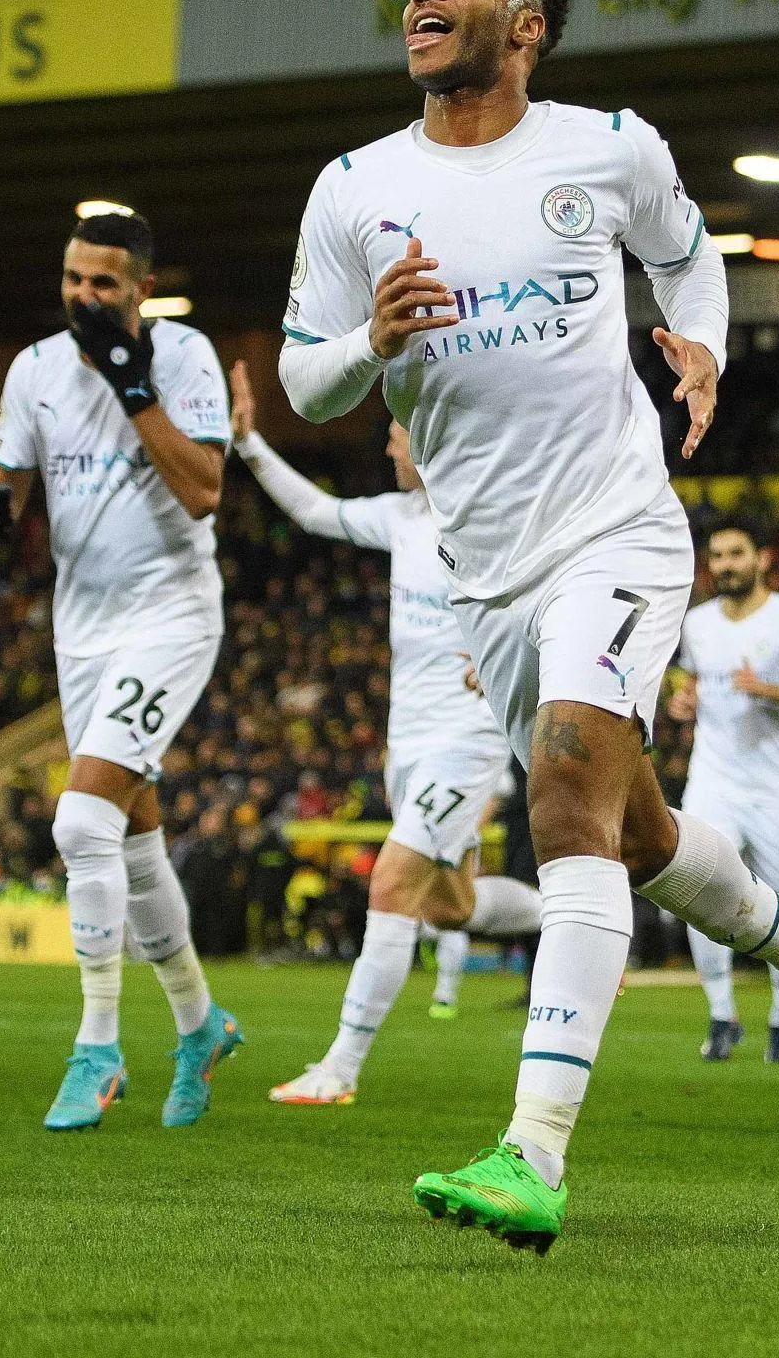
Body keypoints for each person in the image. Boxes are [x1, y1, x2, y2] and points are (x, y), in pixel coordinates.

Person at [276, 0, 779, 1253]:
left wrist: (703, 350)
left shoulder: (606, 147)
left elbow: (692, 252)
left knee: (562, 802)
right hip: (486, 575)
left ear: (526, 26)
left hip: (616, 532)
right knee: (638, 838)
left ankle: (531, 1154)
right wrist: (367, 341)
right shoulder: (353, 188)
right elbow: (304, 376)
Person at [0, 208, 242, 1131]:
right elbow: (7, 477)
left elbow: (203, 491)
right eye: (74, 279)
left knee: (80, 821)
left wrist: (134, 391)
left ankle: (97, 1046)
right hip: (81, 628)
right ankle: (201, 1026)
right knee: (130, 841)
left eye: (103, 284)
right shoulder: (34, 368)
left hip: (168, 616)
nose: (85, 297)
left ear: (141, 289)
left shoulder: (185, 355)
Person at [229, 364, 540, 1104]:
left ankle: (339, 1068)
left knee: (393, 883)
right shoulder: (402, 521)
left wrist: (509, 657)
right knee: (450, 906)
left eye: (398, 439)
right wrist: (249, 446)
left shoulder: (491, 518)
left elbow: (547, 596)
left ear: (428, 445)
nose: (391, 451)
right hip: (411, 747)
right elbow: (315, 512)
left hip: (469, 741)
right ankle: (572, 916)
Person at [668, 520, 779, 1061]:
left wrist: (764, 689)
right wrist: (684, 699)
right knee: (697, 891)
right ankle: (722, 1016)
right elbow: (690, 678)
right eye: (716, 556)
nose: (725, 564)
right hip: (713, 781)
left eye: (736, 554)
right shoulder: (697, 625)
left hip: (773, 788)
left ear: (761, 559)